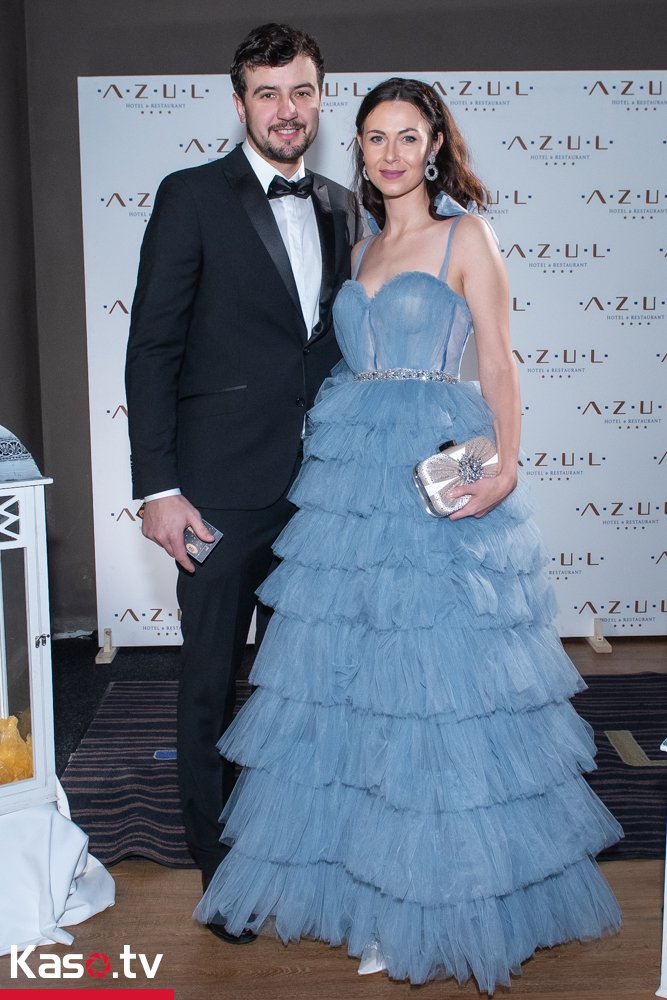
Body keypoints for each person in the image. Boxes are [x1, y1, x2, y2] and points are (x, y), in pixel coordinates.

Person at [194, 78, 622, 989]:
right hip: (349, 477)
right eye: (374, 137)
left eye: (407, 137)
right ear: (358, 147)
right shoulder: (359, 242)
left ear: (434, 147)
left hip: (434, 466)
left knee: (434, 688)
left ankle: (429, 906)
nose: (389, 153)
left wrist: (505, 461)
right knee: (348, 684)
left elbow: (498, 361)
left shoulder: (469, 237)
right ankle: (365, 887)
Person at [125, 22, 361, 941]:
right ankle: (221, 875)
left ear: (320, 99)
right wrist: (158, 489)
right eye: (267, 94)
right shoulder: (190, 196)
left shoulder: (343, 204)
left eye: (301, 91)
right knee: (210, 687)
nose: (286, 110)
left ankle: (295, 849)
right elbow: (152, 347)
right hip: (218, 492)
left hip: (321, 493)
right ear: (239, 104)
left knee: (305, 687)